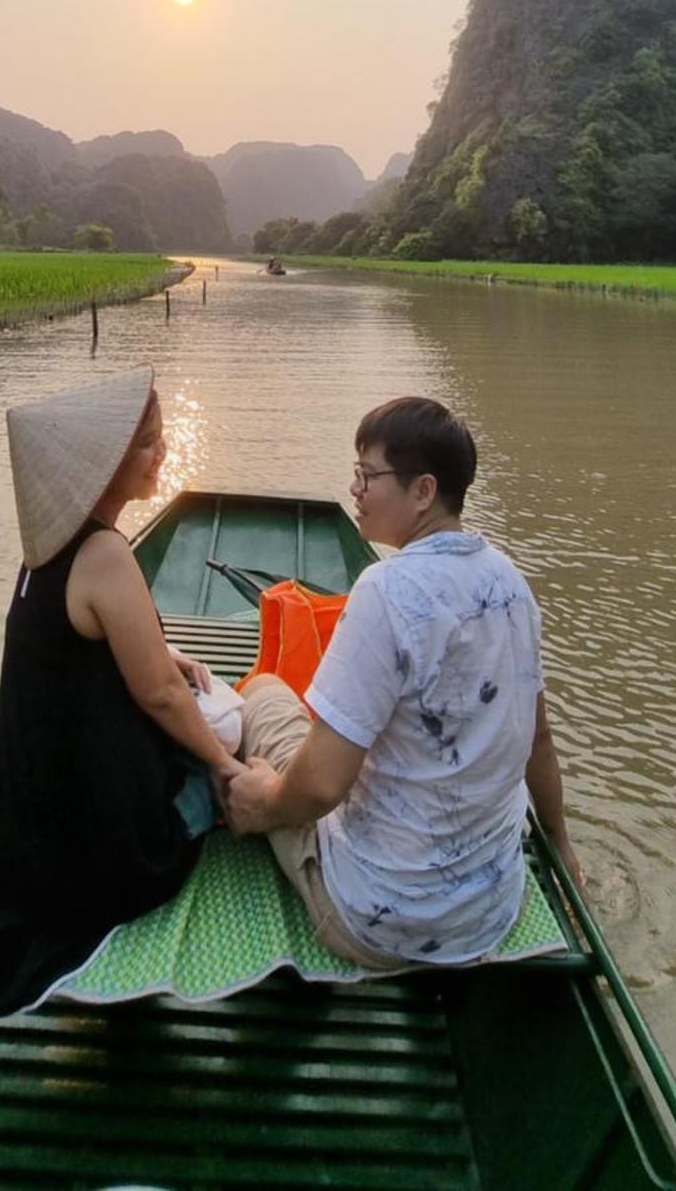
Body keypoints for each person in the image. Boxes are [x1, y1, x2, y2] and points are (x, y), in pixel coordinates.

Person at [0, 365, 239, 1015]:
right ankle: (214, 803)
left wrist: (160, 649)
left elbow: (79, 638)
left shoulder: (45, 553)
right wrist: (226, 765)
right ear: (106, 462)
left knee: (193, 709)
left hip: (14, 838)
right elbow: (162, 698)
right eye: (149, 442)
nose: (163, 452)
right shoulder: (105, 556)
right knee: (229, 724)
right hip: (94, 862)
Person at [224, 395, 582, 968]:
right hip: (489, 914)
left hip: (377, 922)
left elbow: (319, 788)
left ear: (423, 492)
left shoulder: (385, 591)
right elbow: (538, 740)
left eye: (368, 476)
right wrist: (561, 845)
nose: (355, 490)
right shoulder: (512, 584)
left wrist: (263, 802)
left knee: (266, 694)